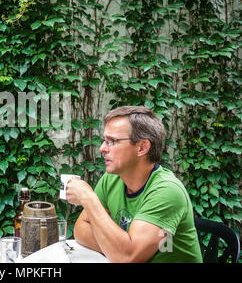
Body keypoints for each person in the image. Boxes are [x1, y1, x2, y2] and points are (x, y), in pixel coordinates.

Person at [67, 105, 202, 263]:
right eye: (105, 140)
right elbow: (80, 229)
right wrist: (115, 248)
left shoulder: (167, 191)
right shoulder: (112, 179)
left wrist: (88, 198)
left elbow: (126, 258)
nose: (102, 148)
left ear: (142, 147)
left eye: (112, 141)